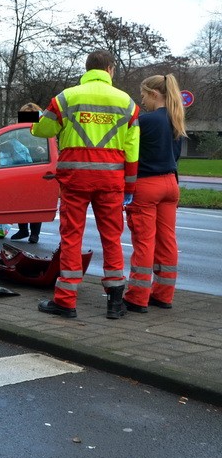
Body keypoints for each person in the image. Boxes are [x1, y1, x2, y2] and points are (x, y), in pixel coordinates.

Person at [33, 50, 139, 319]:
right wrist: (130, 186)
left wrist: (33, 124)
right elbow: (132, 149)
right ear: (110, 70)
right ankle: (115, 302)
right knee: (112, 237)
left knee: (71, 237)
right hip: (111, 181)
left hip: (75, 179)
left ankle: (66, 301)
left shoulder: (66, 97)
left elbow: (43, 130)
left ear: (87, 68)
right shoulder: (127, 103)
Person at [123, 74, 185, 313]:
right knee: (167, 240)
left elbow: (130, 154)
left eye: (143, 96)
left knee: (144, 241)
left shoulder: (145, 121)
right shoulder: (175, 119)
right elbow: (176, 156)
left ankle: (137, 296)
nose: (142, 101)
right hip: (171, 183)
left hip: (147, 184)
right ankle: (163, 295)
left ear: (154, 94)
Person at [8, 102, 43, 244]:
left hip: (37, 164)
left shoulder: (39, 125)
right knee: (21, 200)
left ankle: (34, 233)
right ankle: (24, 230)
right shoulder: (23, 127)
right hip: (23, 164)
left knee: (35, 202)